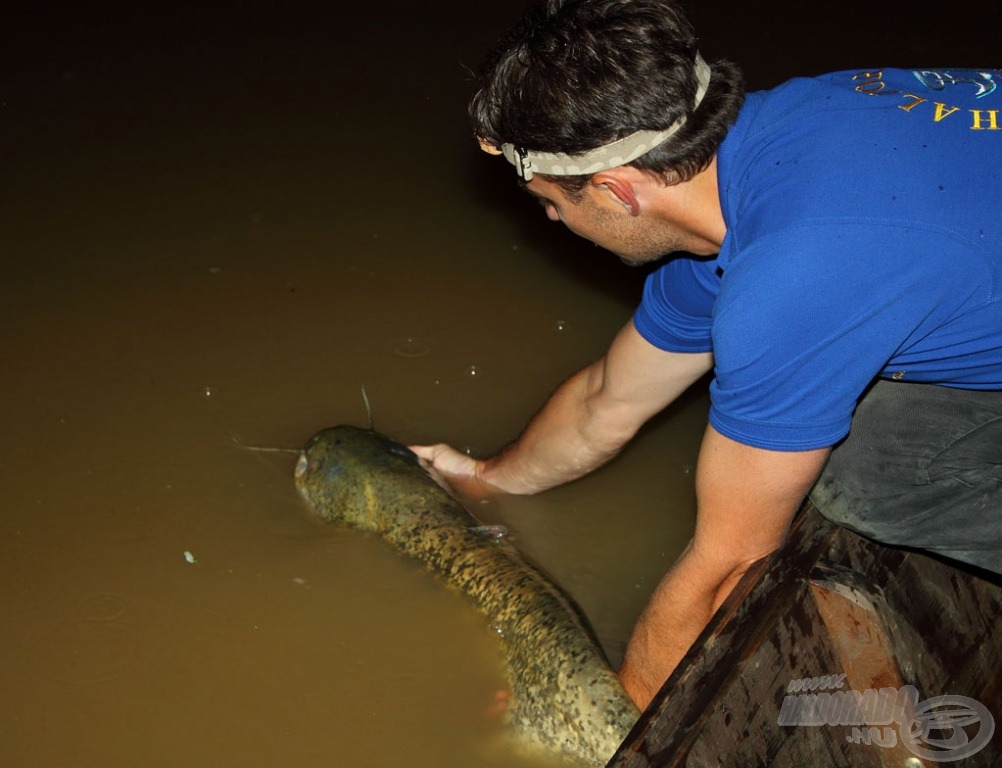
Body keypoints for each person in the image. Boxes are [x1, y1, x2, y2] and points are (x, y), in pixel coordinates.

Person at [411, 0, 1002, 711]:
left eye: (551, 203)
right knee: (860, 443)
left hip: (844, 258)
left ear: (617, 190)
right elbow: (609, 399)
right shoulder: (763, 152)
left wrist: (611, 725)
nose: (549, 220)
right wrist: (483, 477)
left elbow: (731, 564)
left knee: (846, 471)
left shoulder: (790, 278)